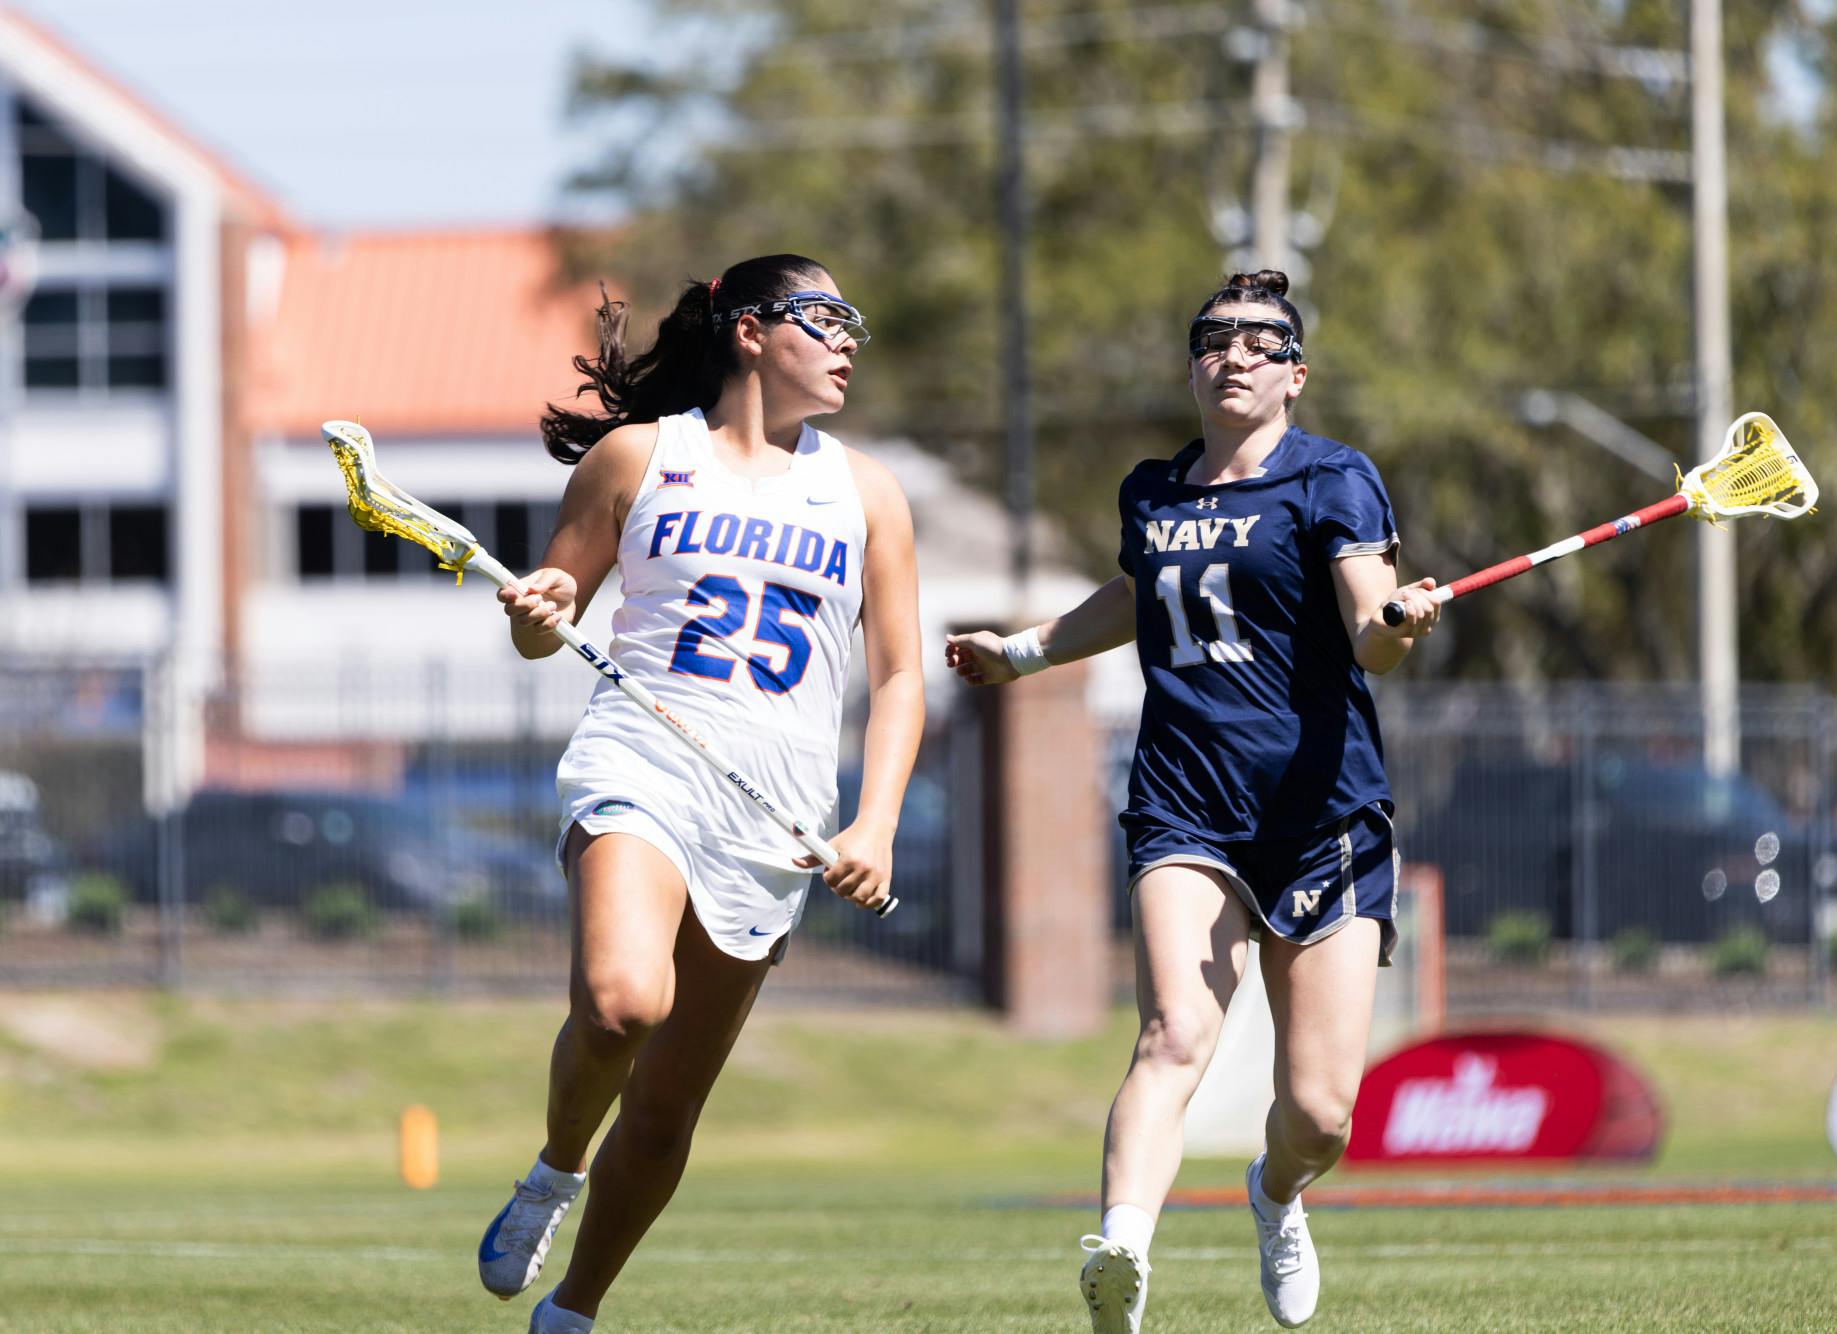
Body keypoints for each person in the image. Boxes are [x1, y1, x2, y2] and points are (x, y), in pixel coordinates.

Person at [945, 270, 1440, 1332]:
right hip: (1185, 803)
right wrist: (1023, 652)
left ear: (1295, 375)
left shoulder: (1332, 480)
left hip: (1321, 818)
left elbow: (1369, 636)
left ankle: (1274, 1192)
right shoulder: (1152, 490)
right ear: (1189, 366)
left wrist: (1400, 621)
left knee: (1318, 1109)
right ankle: (1119, 1251)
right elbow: (1136, 592)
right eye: (1213, 338)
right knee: (1173, 1029)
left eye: (1261, 342)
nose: (1235, 353)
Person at [479, 254, 925, 1334]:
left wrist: (874, 820)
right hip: (642, 764)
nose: (846, 339)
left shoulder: (866, 490)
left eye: (850, 320)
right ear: (748, 330)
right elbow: (547, 617)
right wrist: (537, 614)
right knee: (625, 998)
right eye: (824, 318)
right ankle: (553, 1164)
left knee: (670, 1105)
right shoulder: (641, 457)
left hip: (771, 817)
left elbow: (902, 673)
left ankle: (573, 1306)